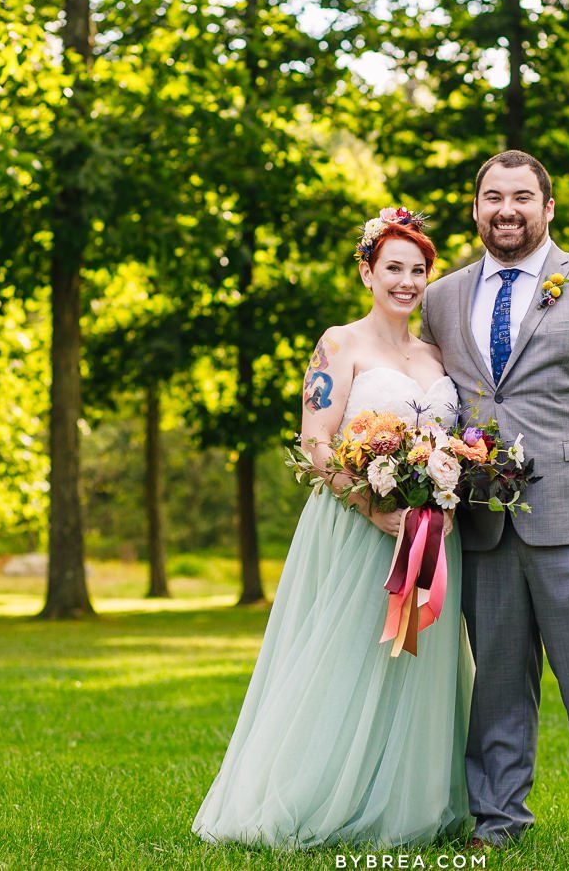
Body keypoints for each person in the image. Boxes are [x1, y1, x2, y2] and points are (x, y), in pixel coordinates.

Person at [192, 211, 473, 849]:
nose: (407, 281)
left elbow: (450, 438)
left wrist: (446, 489)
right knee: (345, 659)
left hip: (429, 534)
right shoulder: (339, 343)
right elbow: (316, 442)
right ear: (367, 272)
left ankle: (408, 802)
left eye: (418, 270)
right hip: (356, 530)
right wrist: (374, 508)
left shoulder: (435, 353)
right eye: (393, 268)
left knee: (416, 669)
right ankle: (317, 795)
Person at [419, 151, 569, 854]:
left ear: (548, 207)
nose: (507, 209)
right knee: (495, 683)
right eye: (492, 196)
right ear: (475, 210)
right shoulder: (443, 297)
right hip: (482, 524)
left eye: (522, 196)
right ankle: (497, 822)